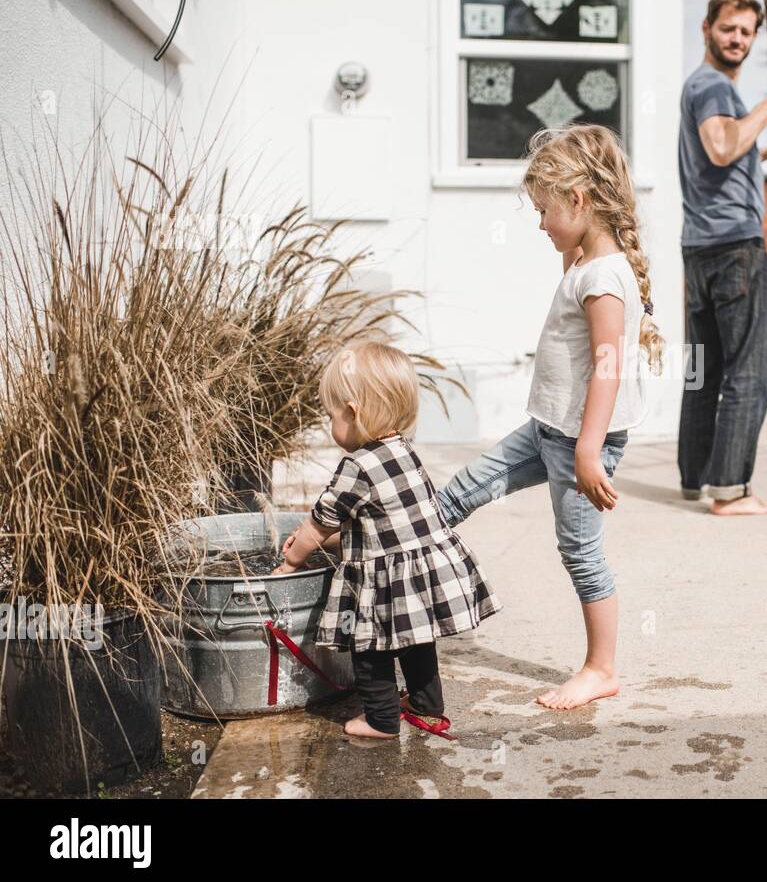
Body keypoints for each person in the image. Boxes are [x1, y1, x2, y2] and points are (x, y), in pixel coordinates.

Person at [434, 123, 664, 710]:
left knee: (580, 551)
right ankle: (406, 570)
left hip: (578, 443)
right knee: (462, 491)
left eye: (544, 211)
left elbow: (608, 366)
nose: (540, 224)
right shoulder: (586, 264)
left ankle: (600, 668)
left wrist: (589, 451)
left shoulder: (604, 278)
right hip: (546, 430)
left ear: (579, 201)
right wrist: (571, 246)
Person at [274, 341, 500, 740]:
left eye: (331, 416)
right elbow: (382, 519)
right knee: (417, 641)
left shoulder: (355, 466)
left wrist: (291, 563)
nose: (330, 426)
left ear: (353, 412)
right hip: (421, 571)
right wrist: (333, 544)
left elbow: (317, 525)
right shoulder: (402, 450)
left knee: (370, 645)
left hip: (386, 581)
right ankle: (428, 707)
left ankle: (380, 719)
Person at [677, 0, 767, 517]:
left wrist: (757, 149)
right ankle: (731, 492)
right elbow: (720, 146)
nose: (737, 39)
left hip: (698, 249)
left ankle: (695, 479)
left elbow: (715, 151)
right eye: (728, 28)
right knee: (749, 373)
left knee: (704, 372)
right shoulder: (714, 86)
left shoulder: (699, 88)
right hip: (735, 247)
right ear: (706, 28)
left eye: (746, 31)